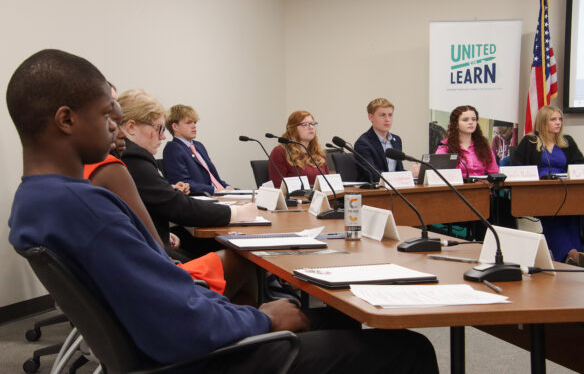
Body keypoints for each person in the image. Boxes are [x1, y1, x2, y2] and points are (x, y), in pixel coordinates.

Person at [7, 49, 438, 373]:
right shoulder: (86, 207)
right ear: (65, 120)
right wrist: (260, 317)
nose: (116, 125)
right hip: (198, 359)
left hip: (163, 350)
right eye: (106, 115)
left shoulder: (35, 201)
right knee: (410, 349)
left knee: (336, 321)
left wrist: (252, 316)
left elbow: (160, 296)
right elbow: (178, 319)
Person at [118, 89, 256, 260]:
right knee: (241, 258)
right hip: (152, 258)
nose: (162, 136)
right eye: (159, 128)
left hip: (151, 243)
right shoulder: (133, 157)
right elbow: (175, 205)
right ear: (131, 127)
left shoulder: (127, 155)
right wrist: (235, 213)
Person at [512, 105, 584, 265]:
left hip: (566, 188)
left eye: (560, 119)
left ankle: (577, 253)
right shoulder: (530, 141)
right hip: (541, 192)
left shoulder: (567, 142)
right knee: (553, 215)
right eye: (553, 119)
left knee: (574, 213)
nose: (558, 123)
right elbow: (515, 165)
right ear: (543, 122)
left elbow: (579, 163)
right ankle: (570, 254)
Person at [163, 104, 232, 195]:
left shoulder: (198, 146)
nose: (194, 126)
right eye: (188, 122)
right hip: (205, 198)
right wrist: (214, 190)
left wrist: (227, 187)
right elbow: (183, 183)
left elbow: (212, 178)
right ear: (175, 126)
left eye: (194, 122)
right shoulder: (173, 148)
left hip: (220, 193)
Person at [355, 98, 417, 182]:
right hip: (374, 192)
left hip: (395, 188)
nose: (387, 119)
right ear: (371, 117)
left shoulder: (396, 140)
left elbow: (398, 171)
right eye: (382, 115)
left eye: (390, 115)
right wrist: (408, 174)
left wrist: (415, 173)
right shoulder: (363, 143)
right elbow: (374, 175)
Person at [268, 110, 329, 188]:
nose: (311, 127)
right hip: (296, 199)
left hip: (320, 198)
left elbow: (328, 183)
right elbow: (277, 186)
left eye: (312, 124)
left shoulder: (319, 154)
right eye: (305, 124)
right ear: (293, 129)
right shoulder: (280, 152)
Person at [435, 105, 498, 177]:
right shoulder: (445, 146)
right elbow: (437, 174)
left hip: (482, 187)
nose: (471, 122)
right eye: (465, 120)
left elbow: (494, 172)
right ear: (456, 124)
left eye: (474, 119)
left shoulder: (483, 145)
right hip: (456, 187)